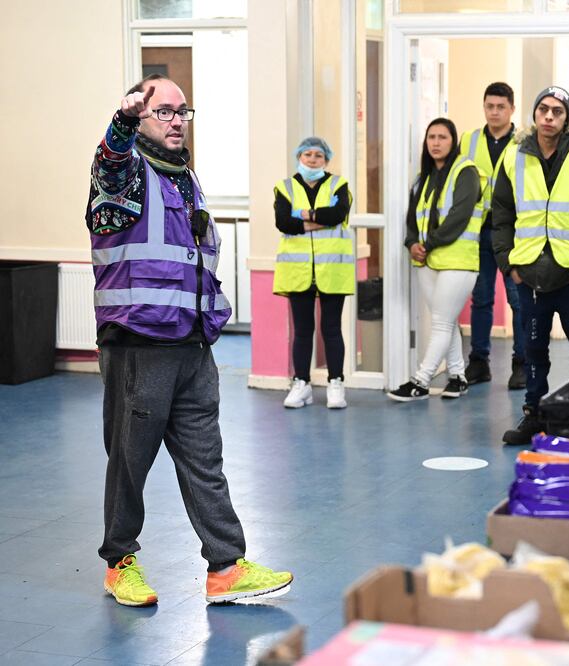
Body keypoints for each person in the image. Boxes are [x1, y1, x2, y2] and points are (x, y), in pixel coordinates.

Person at [87, 74, 291, 606]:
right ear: (141, 117)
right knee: (130, 461)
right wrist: (124, 120)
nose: (177, 119)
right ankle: (120, 562)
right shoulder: (127, 174)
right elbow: (108, 163)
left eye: (183, 111)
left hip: (192, 347)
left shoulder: (184, 177)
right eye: (165, 111)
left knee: (206, 460)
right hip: (139, 342)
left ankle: (225, 566)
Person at [491, 86, 569, 445]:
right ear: (534, 113)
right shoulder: (513, 158)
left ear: (567, 118)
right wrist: (506, 263)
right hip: (528, 274)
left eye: (557, 111)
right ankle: (534, 415)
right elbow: (501, 216)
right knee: (532, 352)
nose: (548, 117)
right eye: (543, 109)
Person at [388, 118, 483, 402]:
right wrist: (411, 243)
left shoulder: (466, 171)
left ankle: (421, 380)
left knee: (441, 322)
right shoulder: (423, 179)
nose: (436, 143)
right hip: (428, 261)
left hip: (458, 260)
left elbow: (459, 216)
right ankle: (457, 376)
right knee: (448, 320)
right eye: (432, 137)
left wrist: (426, 244)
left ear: (453, 141)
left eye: (443, 137)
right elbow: (411, 219)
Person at [273, 136, 354, 409]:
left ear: (326, 159)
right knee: (303, 330)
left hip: (332, 269)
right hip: (298, 271)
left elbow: (339, 214)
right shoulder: (284, 188)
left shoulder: (338, 185)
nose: (312, 159)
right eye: (307, 154)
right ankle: (301, 384)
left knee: (331, 329)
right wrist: (320, 217)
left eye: (318, 155)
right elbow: (283, 222)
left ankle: (336, 383)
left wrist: (303, 215)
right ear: (299, 157)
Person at [462, 82, 526, 391]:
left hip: (513, 234)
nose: (495, 112)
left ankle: (522, 363)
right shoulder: (469, 141)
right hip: (478, 232)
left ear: (512, 108)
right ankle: (479, 362)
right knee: (482, 299)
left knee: (519, 300)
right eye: (490, 106)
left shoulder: (525, 142)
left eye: (501, 106)